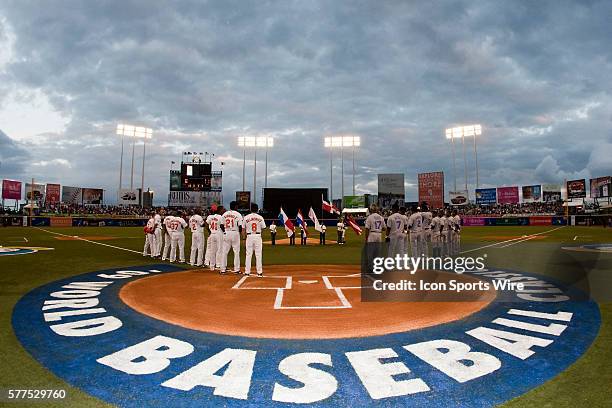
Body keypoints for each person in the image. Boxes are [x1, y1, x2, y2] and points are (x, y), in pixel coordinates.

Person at [243, 203, 266, 277]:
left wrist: (243, 238)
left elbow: (243, 228)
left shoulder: (246, 217)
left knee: (248, 254)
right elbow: (264, 227)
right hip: (257, 236)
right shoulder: (260, 217)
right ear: (257, 209)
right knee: (258, 254)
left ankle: (247, 272)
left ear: (250, 209)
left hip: (249, 236)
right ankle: (259, 272)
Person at [220, 201, 243, 274]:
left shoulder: (224, 214)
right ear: (235, 206)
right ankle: (236, 270)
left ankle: (222, 269)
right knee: (236, 252)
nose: (237, 207)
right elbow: (240, 226)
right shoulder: (238, 214)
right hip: (235, 232)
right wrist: (238, 233)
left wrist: (224, 232)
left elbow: (221, 225)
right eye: (237, 206)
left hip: (226, 232)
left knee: (224, 252)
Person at [205, 205, 223, 271]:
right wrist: (224, 232)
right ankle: (218, 265)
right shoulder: (220, 217)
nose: (223, 211)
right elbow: (221, 225)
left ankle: (212, 266)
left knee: (212, 250)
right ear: (219, 210)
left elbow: (206, 224)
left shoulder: (211, 217)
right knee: (219, 249)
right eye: (222, 209)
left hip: (212, 233)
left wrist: (209, 231)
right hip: (218, 233)